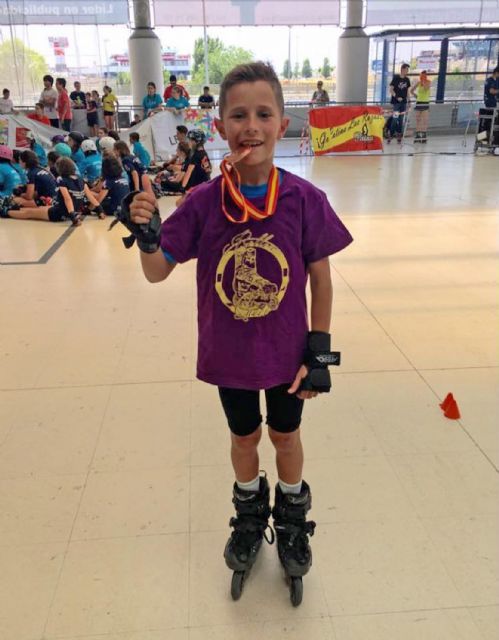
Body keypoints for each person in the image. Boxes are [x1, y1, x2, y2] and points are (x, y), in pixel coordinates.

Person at [114, 61, 353, 605]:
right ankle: (250, 510)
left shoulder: (304, 199)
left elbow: (320, 277)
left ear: (282, 124)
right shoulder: (203, 203)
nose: (251, 125)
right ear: (219, 126)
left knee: (286, 437)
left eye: (263, 114)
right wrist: (149, 238)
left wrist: (320, 351)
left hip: (288, 353)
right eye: (238, 115)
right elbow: (157, 272)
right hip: (231, 357)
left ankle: (292, 515)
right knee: (244, 439)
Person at [5, 156, 102, 225]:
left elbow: (67, 198)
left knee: (29, 213)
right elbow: (90, 196)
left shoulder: (61, 179)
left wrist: (72, 215)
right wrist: (99, 210)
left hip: (60, 212)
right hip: (70, 210)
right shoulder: (79, 178)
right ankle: (13, 209)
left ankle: (5, 212)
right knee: (39, 209)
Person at [161, 129, 211, 197]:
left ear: (195, 142)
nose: (189, 143)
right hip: (206, 184)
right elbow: (209, 170)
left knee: (164, 184)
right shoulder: (204, 153)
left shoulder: (196, 155)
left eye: (190, 140)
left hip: (197, 187)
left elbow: (188, 172)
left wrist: (182, 188)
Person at [388, 63, 411, 143]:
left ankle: (399, 135)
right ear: (402, 69)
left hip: (404, 103)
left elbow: (407, 91)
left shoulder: (407, 80)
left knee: (401, 120)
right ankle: (390, 134)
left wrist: (409, 100)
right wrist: (397, 97)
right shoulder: (396, 78)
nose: (407, 71)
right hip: (396, 103)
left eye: (408, 70)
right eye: (406, 69)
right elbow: (391, 90)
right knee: (395, 119)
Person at [410, 70, 432, 143]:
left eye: (424, 76)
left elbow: (426, 89)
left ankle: (424, 135)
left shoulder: (428, 82)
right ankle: (418, 135)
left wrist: (423, 82)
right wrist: (416, 96)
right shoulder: (418, 83)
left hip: (425, 102)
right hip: (419, 102)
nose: (423, 77)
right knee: (418, 120)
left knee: (424, 120)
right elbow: (411, 90)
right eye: (421, 76)